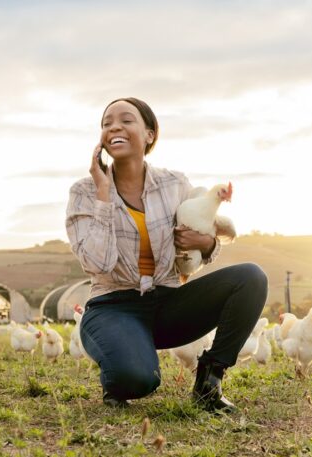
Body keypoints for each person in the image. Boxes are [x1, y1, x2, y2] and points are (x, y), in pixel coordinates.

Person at [65, 97, 268, 412]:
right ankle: (121, 365)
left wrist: (206, 244)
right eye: (107, 123)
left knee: (251, 277)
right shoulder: (84, 192)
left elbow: (200, 242)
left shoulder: (174, 184)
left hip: (169, 303)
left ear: (149, 134)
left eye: (126, 120)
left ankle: (209, 381)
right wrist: (103, 194)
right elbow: (97, 263)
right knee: (136, 381)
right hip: (113, 308)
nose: (114, 126)